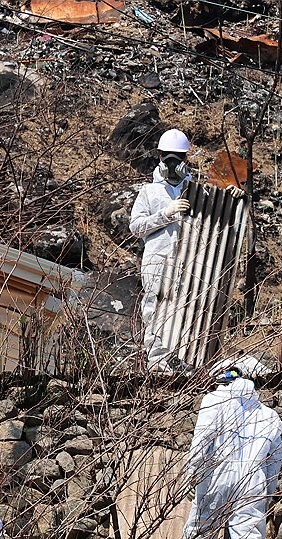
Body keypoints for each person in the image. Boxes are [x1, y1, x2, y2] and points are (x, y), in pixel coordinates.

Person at [180, 357, 282, 539]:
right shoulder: (270, 416)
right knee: (249, 535)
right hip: (252, 479)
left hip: (216, 476)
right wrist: (268, 492)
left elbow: (202, 442)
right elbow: (274, 462)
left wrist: (191, 475)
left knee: (196, 535)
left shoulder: (213, 401)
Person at [128, 128, 193, 372]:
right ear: (160, 157)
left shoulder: (195, 190)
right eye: (168, 156)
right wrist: (165, 214)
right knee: (155, 309)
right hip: (157, 259)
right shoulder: (149, 191)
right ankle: (157, 361)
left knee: (185, 309)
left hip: (187, 260)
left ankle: (183, 360)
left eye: (179, 156)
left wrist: (234, 194)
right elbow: (136, 227)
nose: (173, 162)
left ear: (185, 159)